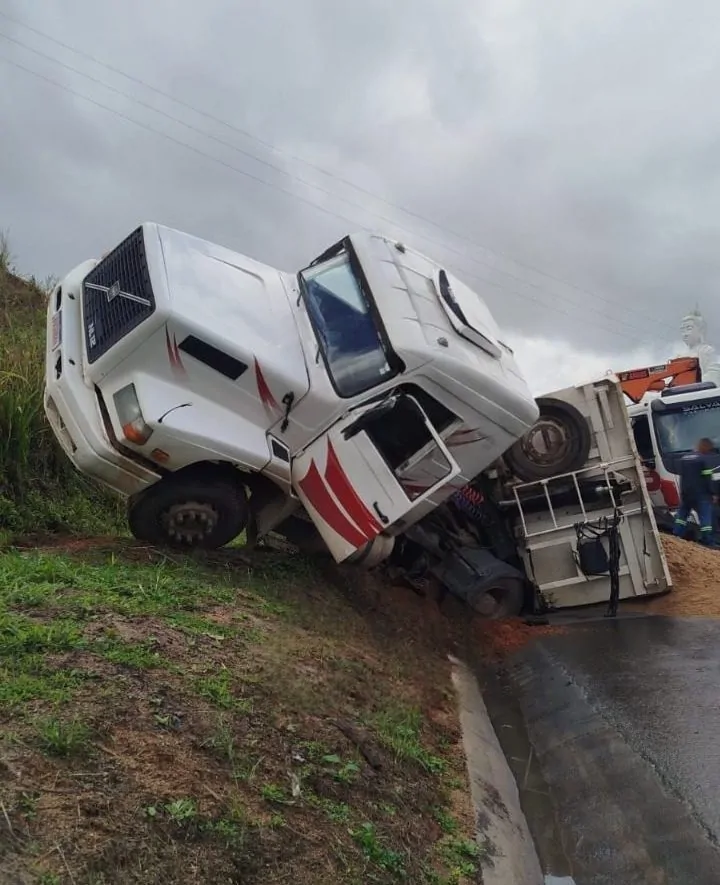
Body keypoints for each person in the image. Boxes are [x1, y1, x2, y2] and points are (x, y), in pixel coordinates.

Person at [673, 438, 720, 546]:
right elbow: (708, 478)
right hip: (701, 494)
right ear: (706, 447)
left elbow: (682, 476)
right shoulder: (703, 459)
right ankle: (707, 540)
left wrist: (682, 492)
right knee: (705, 517)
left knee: (682, 515)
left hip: (686, 493)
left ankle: (676, 533)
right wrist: (713, 493)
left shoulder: (684, 458)